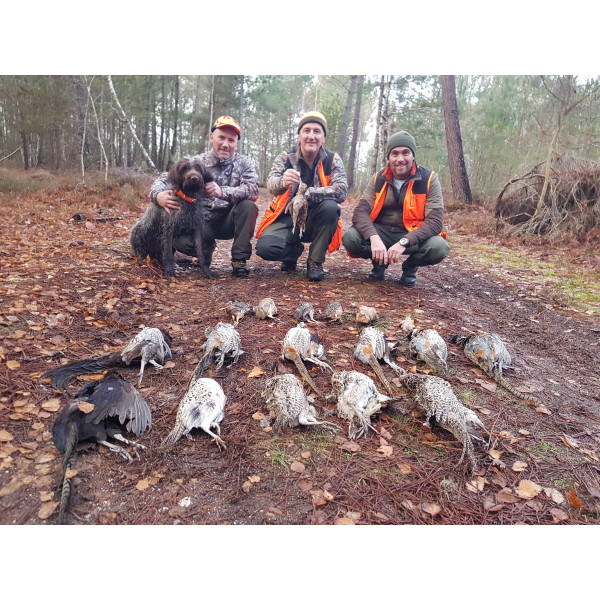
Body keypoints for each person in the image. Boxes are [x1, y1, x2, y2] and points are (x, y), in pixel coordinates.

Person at [149, 115, 259, 277]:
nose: (225, 144)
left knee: (248, 206)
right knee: (182, 242)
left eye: (231, 140)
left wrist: (222, 192)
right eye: (221, 138)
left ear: (237, 143)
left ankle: (239, 260)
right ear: (211, 137)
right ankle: (205, 249)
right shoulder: (197, 162)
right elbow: (165, 178)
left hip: (228, 221)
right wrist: (158, 195)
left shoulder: (244, 163)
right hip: (200, 223)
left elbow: (253, 190)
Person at [342, 130, 449, 287]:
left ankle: (410, 267)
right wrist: (374, 238)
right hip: (382, 232)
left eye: (406, 153)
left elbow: (435, 222)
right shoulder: (378, 178)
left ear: (413, 156)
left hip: (412, 233)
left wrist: (404, 242)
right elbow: (360, 213)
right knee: (350, 239)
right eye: (395, 153)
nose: (400, 159)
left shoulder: (429, 179)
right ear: (389, 157)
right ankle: (379, 262)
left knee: (439, 248)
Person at [255, 111, 347, 282]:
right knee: (266, 248)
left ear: (323, 138)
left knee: (331, 207)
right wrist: (282, 182)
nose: (311, 136)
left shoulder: (332, 159)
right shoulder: (286, 157)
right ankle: (293, 252)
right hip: (287, 218)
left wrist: (307, 194)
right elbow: (271, 185)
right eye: (306, 131)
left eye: (317, 131)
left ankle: (315, 261)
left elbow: (341, 191)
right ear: (299, 136)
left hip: (316, 219)